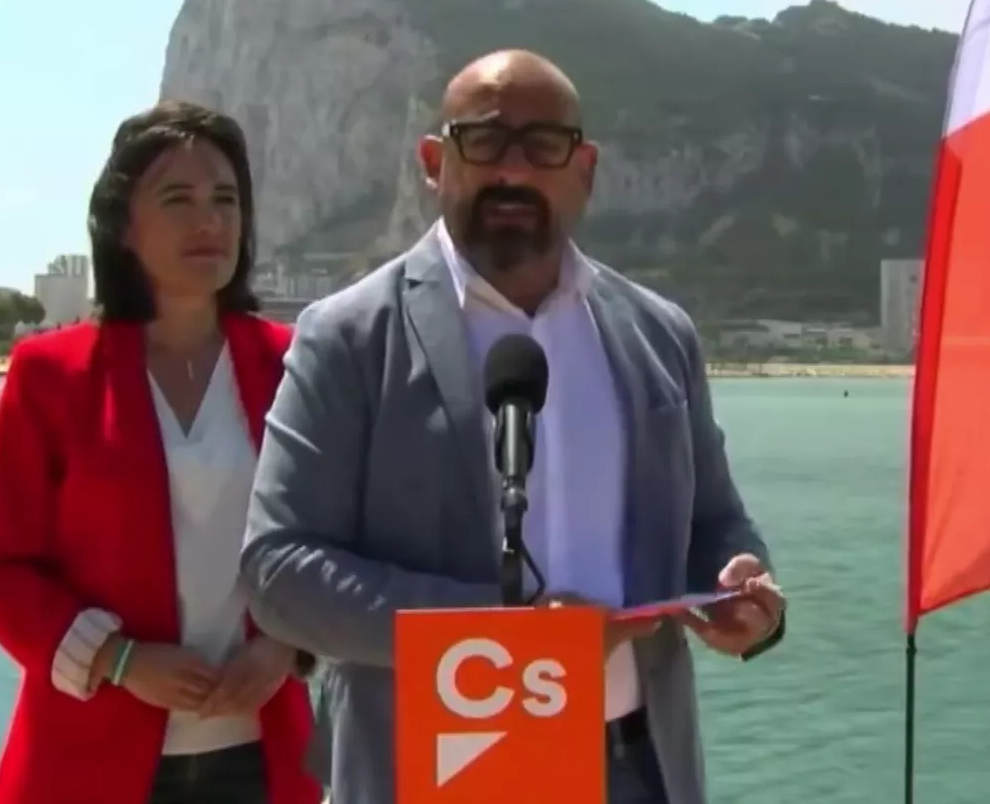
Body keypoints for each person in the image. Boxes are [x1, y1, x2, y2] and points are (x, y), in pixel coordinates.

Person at [241, 50, 787, 804]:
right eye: (486, 141)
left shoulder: (660, 334)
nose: (513, 171)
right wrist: (512, 634)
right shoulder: (346, 337)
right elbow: (278, 572)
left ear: (584, 168)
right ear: (435, 160)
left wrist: (742, 587)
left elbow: (716, 523)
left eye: (543, 146)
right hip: (426, 768)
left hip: (630, 765)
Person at [0, 100, 321, 804]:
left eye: (225, 199)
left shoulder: (293, 363)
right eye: (177, 199)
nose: (208, 220)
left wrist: (283, 646)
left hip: (265, 757)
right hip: (88, 761)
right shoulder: (50, 374)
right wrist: (119, 659)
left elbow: (334, 537)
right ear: (124, 225)